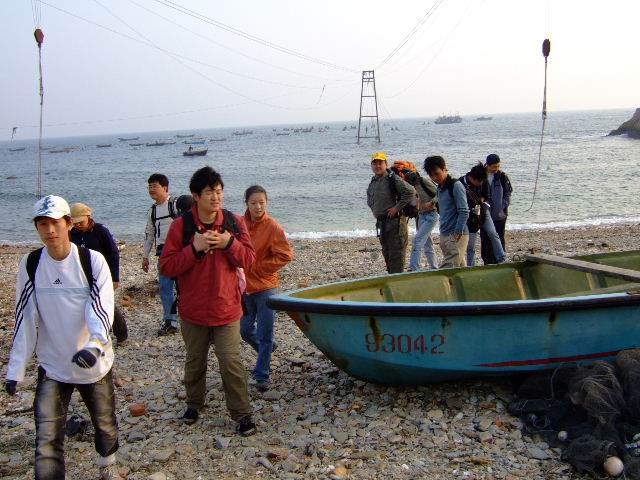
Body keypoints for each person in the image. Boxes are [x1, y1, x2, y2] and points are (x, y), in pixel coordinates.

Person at [5, 195, 121, 480]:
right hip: (53, 366)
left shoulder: (91, 261)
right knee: (46, 437)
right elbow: (26, 317)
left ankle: (108, 464)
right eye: (42, 224)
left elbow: (101, 308)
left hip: (93, 365)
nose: (50, 230)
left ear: (69, 224)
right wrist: (16, 369)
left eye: (55, 223)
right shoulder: (31, 264)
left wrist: (94, 346)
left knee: (105, 425)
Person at [160, 166, 257, 435]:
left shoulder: (233, 222)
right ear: (195, 196)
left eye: (219, 191)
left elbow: (249, 259)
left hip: (227, 309)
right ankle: (194, 404)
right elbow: (167, 266)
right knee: (195, 361)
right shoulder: (181, 226)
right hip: (193, 311)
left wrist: (228, 243)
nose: (216, 197)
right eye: (209, 192)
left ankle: (242, 414)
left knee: (231, 363)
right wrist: (195, 248)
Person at [240, 185, 293, 392]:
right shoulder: (240, 224)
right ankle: (268, 349)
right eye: (253, 203)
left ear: (267, 203)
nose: (258, 207)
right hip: (244, 286)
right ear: (247, 203)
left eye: (261, 202)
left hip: (266, 286)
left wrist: (260, 268)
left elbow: (285, 255)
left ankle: (262, 374)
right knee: (244, 330)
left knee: (265, 332)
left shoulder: (272, 226)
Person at [71, 202, 129, 345]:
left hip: (102, 274)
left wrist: (115, 278)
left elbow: (113, 253)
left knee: (105, 304)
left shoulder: (101, 231)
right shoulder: (72, 233)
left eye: (81, 222)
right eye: (75, 223)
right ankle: (89, 335)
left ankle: (121, 335)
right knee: (83, 304)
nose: (78, 225)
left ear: (88, 217)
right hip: (80, 275)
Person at [366, 152, 416, 274]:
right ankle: (391, 278)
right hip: (382, 224)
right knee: (387, 254)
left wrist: (396, 208)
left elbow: (410, 192)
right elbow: (370, 199)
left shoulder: (392, 178)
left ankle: (397, 281)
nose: (377, 166)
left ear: (386, 164)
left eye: (380, 163)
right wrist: (375, 211)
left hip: (395, 224)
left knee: (396, 256)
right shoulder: (374, 180)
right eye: (375, 163)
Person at [142, 173, 179, 336]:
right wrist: (145, 256)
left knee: (187, 287)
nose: (151, 189)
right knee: (165, 288)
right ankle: (170, 321)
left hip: (181, 251)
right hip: (163, 253)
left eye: (154, 186)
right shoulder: (152, 211)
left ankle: (195, 319)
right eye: (149, 186)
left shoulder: (176, 204)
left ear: (165, 188)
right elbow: (149, 234)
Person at [423, 155, 469, 268]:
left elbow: (464, 211)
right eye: (431, 175)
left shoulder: (456, 186)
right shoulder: (440, 188)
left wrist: (457, 232)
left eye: (437, 173)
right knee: (461, 269)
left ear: (444, 169)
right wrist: (431, 203)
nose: (435, 178)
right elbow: (440, 200)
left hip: (456, 234)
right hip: (444, 233)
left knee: (448, 268)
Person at [459, 164, 507, 266]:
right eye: (479, 182)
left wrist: (482, 199)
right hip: (469, 217)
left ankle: (501, 258)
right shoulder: (460, 184)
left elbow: (486, 195)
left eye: (482, 181)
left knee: (493, 233)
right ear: (472, 178)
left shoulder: (483, 180)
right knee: (471, 245)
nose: (480, 184)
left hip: (483, 211)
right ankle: (471, 266)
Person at [481, 154, 513, 264]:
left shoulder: (502, 176)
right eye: (494, 166)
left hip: (500, 214)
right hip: (484, 214)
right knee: (485, 238)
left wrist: (504, 205)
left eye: (498, 166)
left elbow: (508, 193)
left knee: (499, 237)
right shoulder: (481, 175)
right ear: (488, 165)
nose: (496, 169)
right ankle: (487, 262)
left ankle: (500, 261)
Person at [404, 170, 439, 271]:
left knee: (417, 240)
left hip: (431, 215)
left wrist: (431, 203)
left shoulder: (424, 181)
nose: (414, 185)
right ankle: (434, 267)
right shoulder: (410, 188)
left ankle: (414, 268)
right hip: (421, 216)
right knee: (427, 243)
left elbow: (439, 192)